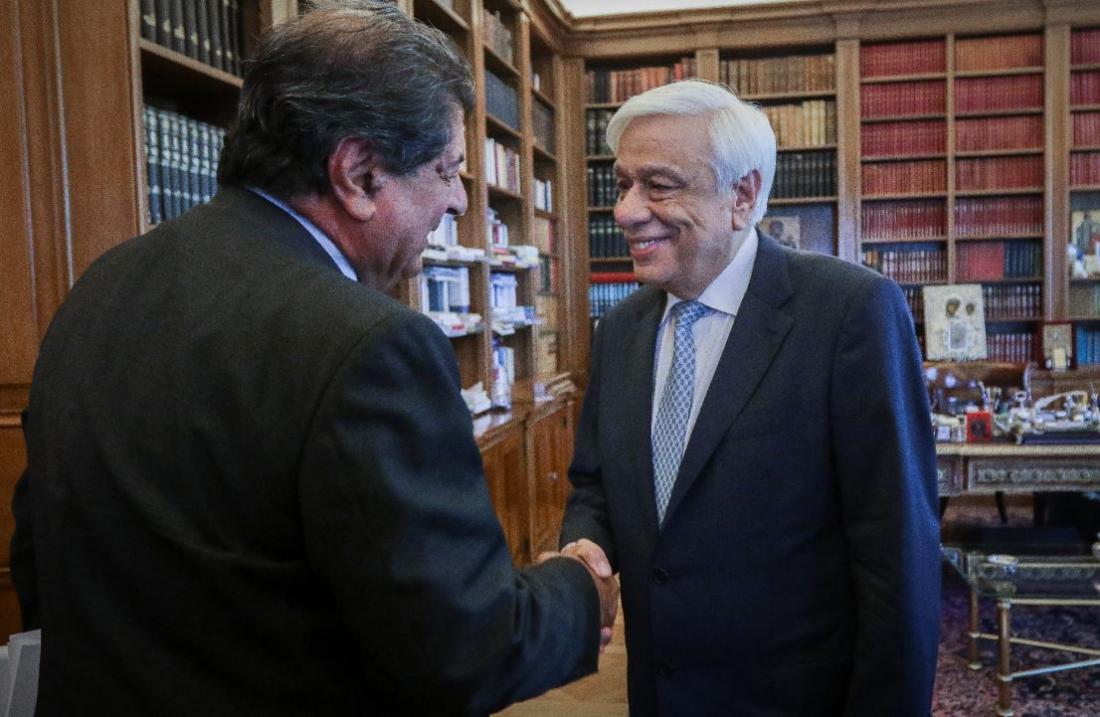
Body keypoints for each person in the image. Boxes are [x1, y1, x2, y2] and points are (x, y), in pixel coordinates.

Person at [10, 3, 616, 715]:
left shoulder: (102, 284)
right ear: (358, 174)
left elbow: (38, 553)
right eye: (447, 169)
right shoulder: (368, 344)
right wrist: (581, 591)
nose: (457, 200)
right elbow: (460, 650)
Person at [559, 80, 940, 716]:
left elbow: (896, 554)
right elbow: (595, 484)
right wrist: (585, 551)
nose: (625, 211)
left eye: (659, 185)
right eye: (622, 185)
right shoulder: (620, 330)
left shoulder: (850, 311)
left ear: (742, 195)